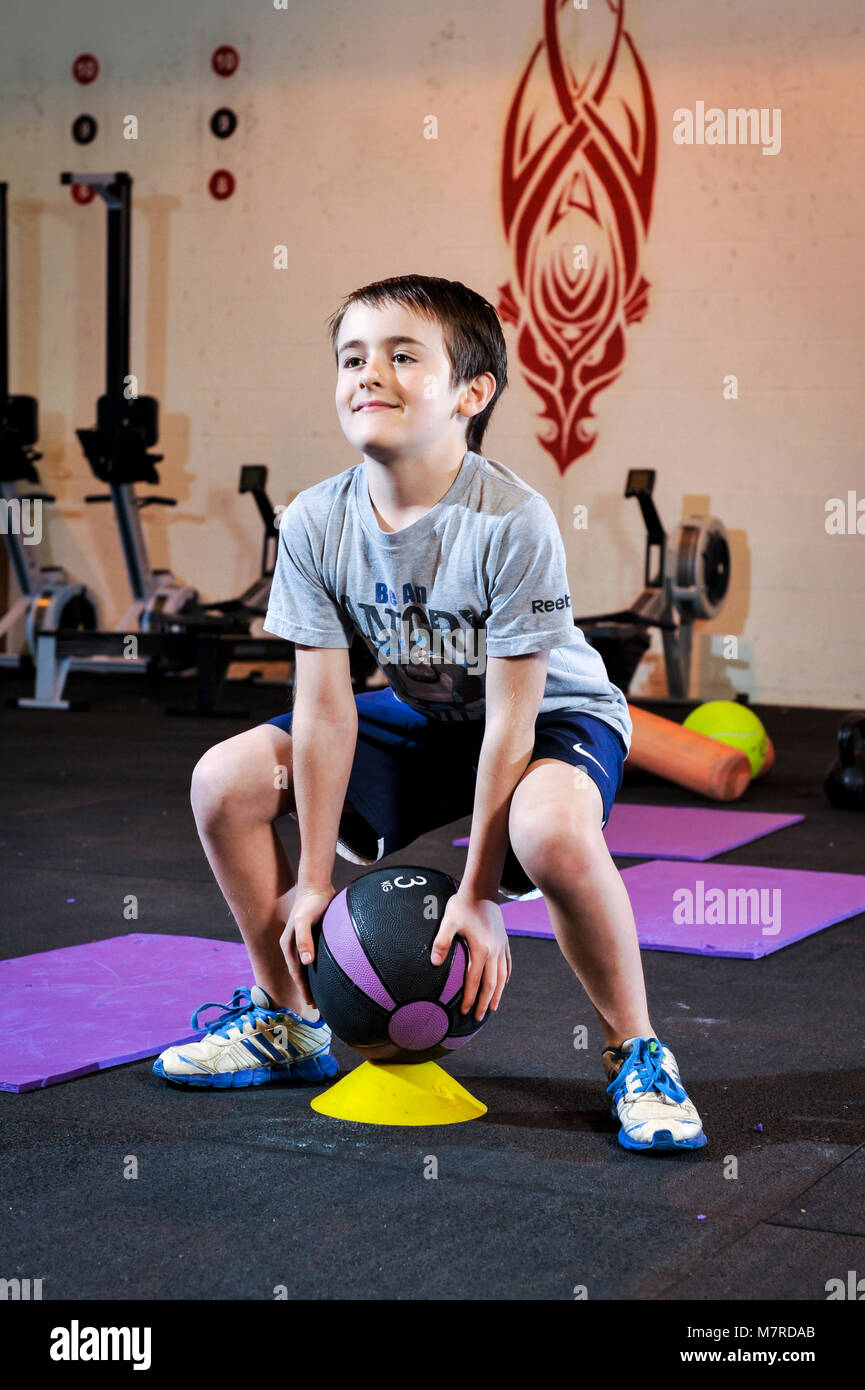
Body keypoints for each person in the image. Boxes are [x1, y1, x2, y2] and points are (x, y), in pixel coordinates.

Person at [153, 274, 706, 1153]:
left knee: (555, 832)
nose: (369, 372)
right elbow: (325, 711)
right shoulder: (313, 522)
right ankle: (286, 1020)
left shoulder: (511, 520)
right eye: (352, 356)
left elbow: (512, 725)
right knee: (224, 780)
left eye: (403, 355)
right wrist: (313, 879)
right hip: (422, 715)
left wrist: (482, 891)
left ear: (470, 393)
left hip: (547, 720)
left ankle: (634, 1051)